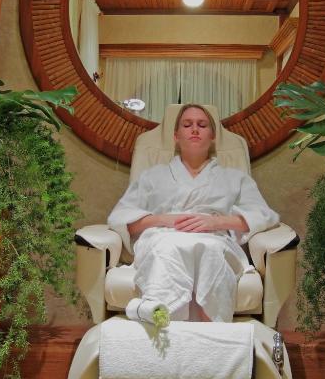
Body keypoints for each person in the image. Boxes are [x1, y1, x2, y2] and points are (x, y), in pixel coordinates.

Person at [108, 104, 279, 325]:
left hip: (214, 238)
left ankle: (211, 331)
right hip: (162, 237)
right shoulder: (152, 176)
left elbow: (264, 216)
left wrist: (215, 221)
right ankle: (165, 330)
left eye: (202, 125)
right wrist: (164, 219)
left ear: (213, 136)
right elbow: (121, 220)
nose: (195, 130)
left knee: (211, 250)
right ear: (176, 136)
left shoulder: (235, 178)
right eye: (187, 125)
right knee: (167, 249)